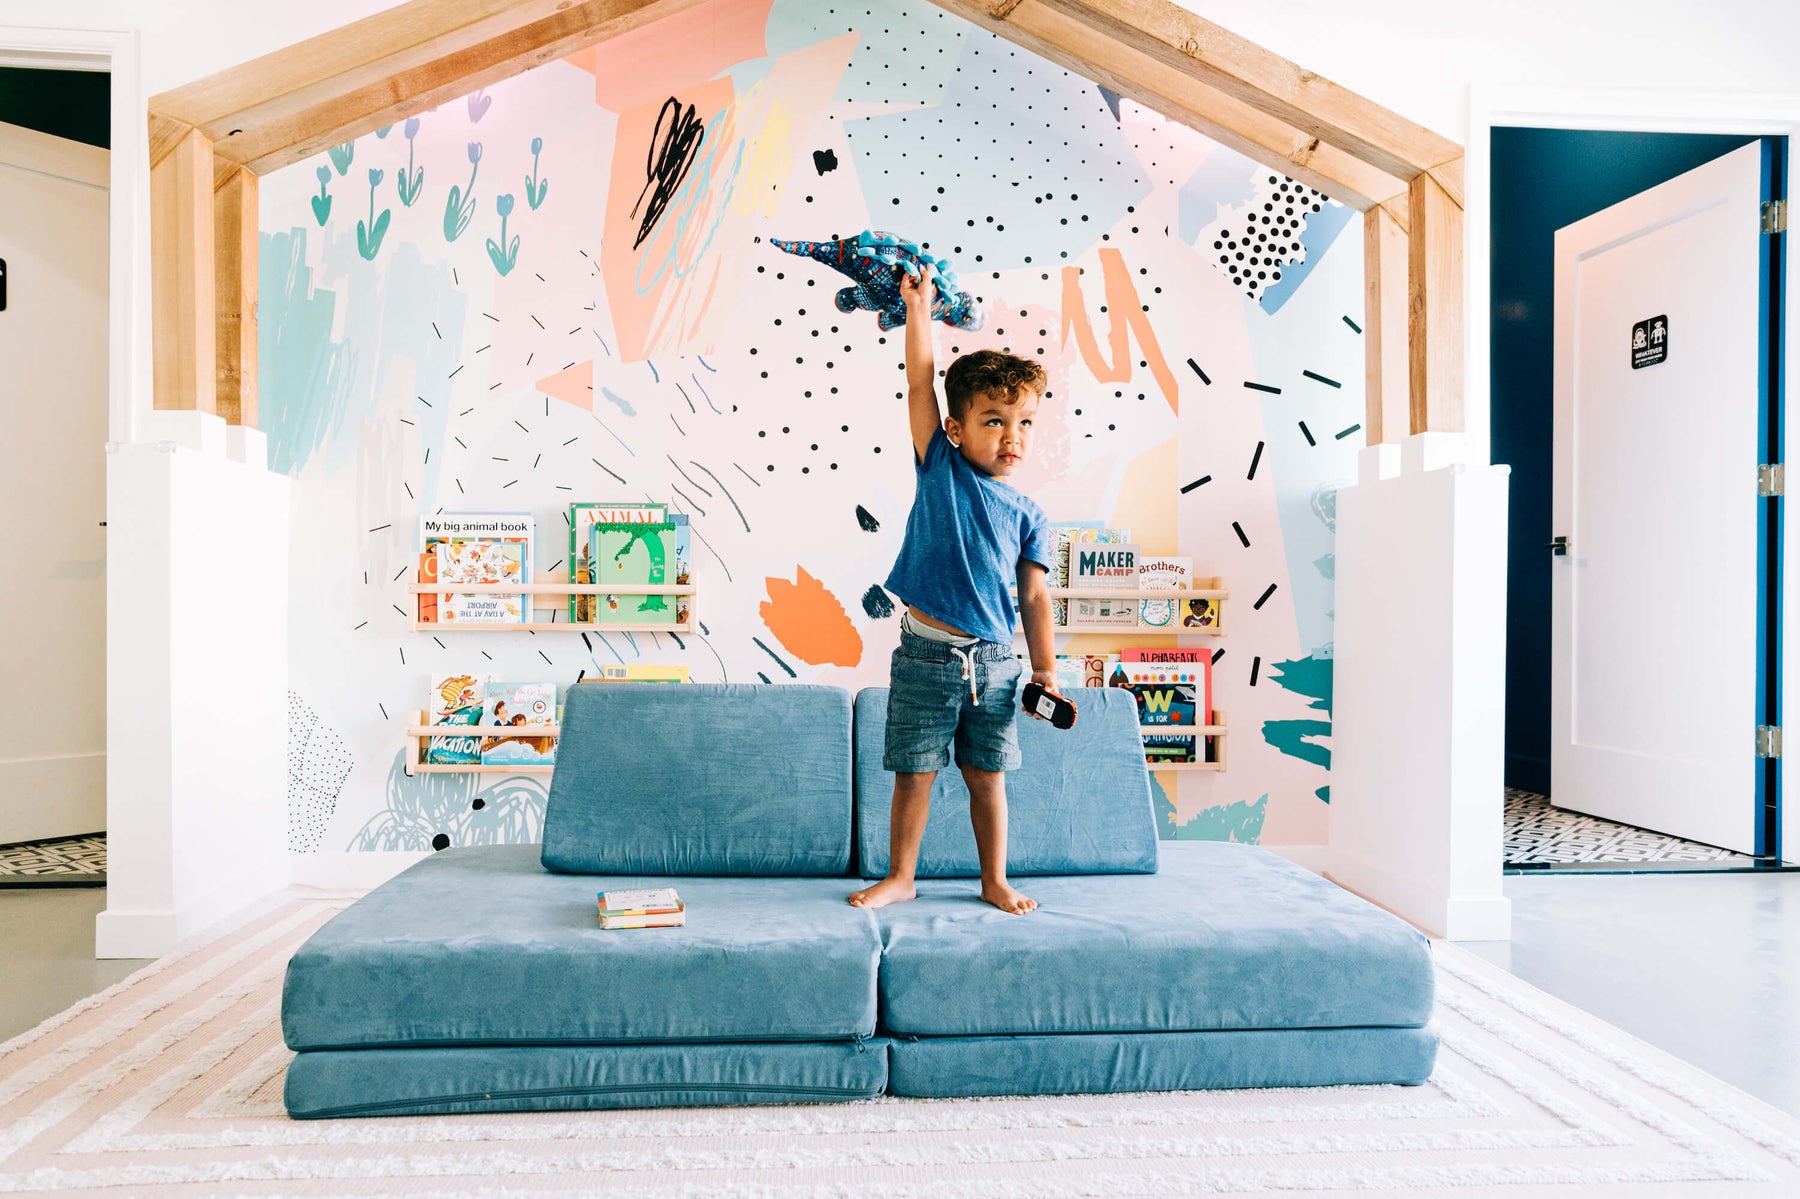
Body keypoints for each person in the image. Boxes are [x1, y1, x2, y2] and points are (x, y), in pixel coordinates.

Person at [848, 264, 1055, 916]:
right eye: (994, 420)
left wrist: (1047, 667)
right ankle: (902, 875)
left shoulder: (1029, 514)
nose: (1012, 436)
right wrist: (918, 311)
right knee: (914, 772)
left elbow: (1035, 598)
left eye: (1023, 422)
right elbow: (918, 383)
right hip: (923, 656)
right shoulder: (940, 466)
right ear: (957, 429)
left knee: (986, 776)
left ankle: (994, 879)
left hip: (995, 664)